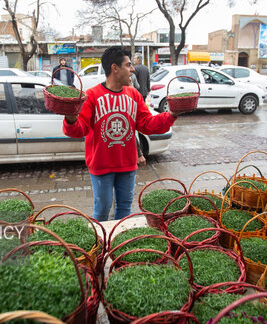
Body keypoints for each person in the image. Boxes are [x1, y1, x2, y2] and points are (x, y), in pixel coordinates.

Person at [62, 47, 180, 221]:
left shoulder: (134, 95)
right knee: (101, 210)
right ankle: (101, 245)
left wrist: (171, 115)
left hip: (127, 165)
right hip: (101, 166)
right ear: (114, 68)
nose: (133, 69)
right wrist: (71, 118)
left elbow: (147, 124)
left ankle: (119, 244)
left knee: (125, 210)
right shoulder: (92, 96)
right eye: (128, 65)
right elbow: (80, 129)